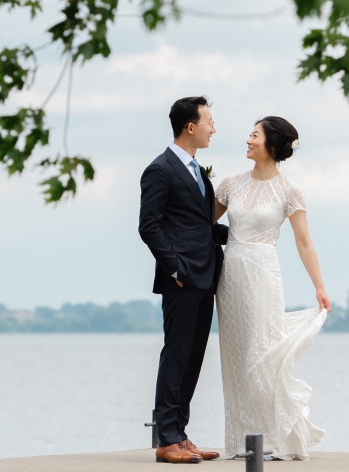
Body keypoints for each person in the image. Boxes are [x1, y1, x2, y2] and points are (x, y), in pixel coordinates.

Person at [214, 116, 331, 460]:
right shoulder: (230, 184)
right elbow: (202, 223)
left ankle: (274, 438)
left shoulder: (289, 190)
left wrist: (319, 287)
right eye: (249, 135)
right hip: (231, 273)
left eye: (254, 136)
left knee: (262, 352)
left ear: (273, 146)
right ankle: (241, 441)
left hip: (264, 274)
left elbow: (304, 242)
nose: (247, 140)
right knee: (235, 356)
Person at [138, 97, 229, 464]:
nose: (213, 127)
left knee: (192, 358)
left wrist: (248, 235)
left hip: (206, 276)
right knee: (175, 355)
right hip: (182, 279)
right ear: (190, 126)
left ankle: (180, 433)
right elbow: (149, 226)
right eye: (209, 121)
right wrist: (175, 268)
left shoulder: (197, 172)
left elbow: (200, 225)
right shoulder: (159, 170)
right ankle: (166, 440)